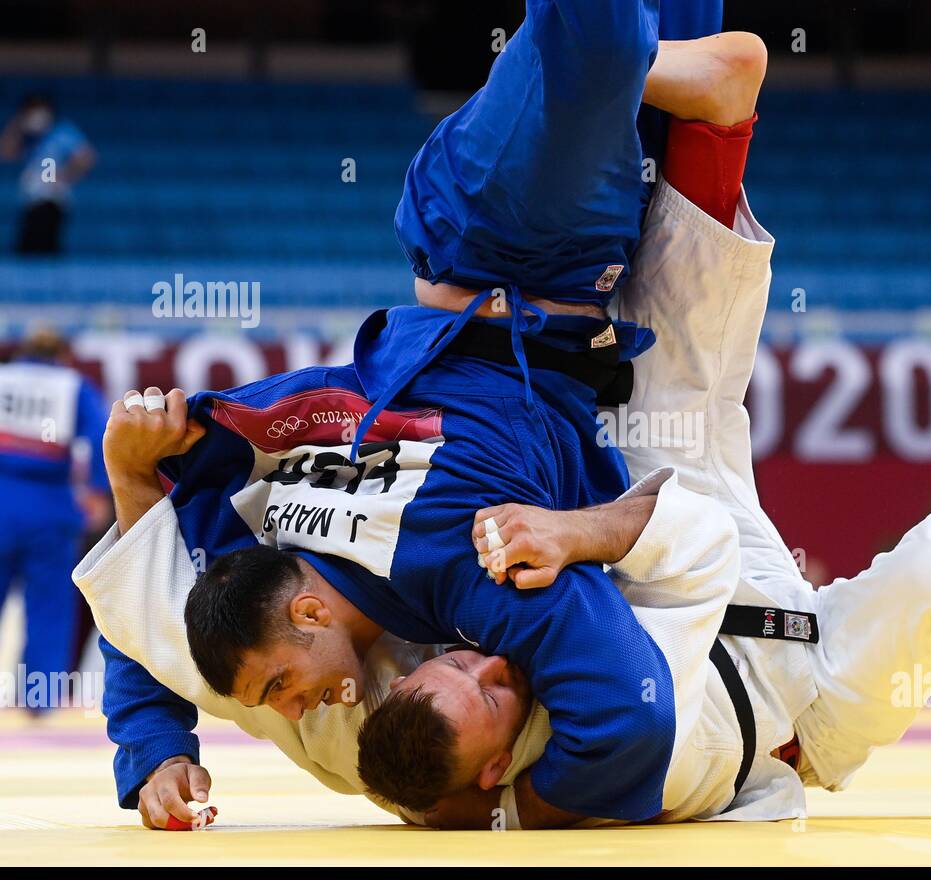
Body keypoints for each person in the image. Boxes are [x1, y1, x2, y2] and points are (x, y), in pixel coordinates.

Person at [90, 7, 768, 829]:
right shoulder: (466, 567)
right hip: (531, 250)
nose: (290, 710)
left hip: (467, 246)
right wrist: (507, 812)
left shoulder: (255, 551)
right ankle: (639, 70)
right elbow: (628, 719)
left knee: (609, 50)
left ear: (303, 609)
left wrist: (154, 744)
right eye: (277, 694)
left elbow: (147, 612)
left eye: (279, 688)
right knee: (588, 40)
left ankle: (661, 75)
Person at [0, 327, 109, 713]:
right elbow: (100, 436)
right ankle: (40, 699)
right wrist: (98, 491)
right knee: (48, 607)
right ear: (62, 355)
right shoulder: (72, 386)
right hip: (49, 505)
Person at [0, 93, 95, 254]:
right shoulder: (25, 135)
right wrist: (18, 125)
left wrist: (65, 175)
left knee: (46, 244)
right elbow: (6, 152)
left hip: (53, 198)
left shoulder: (62, 131)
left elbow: (87, 157)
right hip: (30, 197)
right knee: (26, 246)